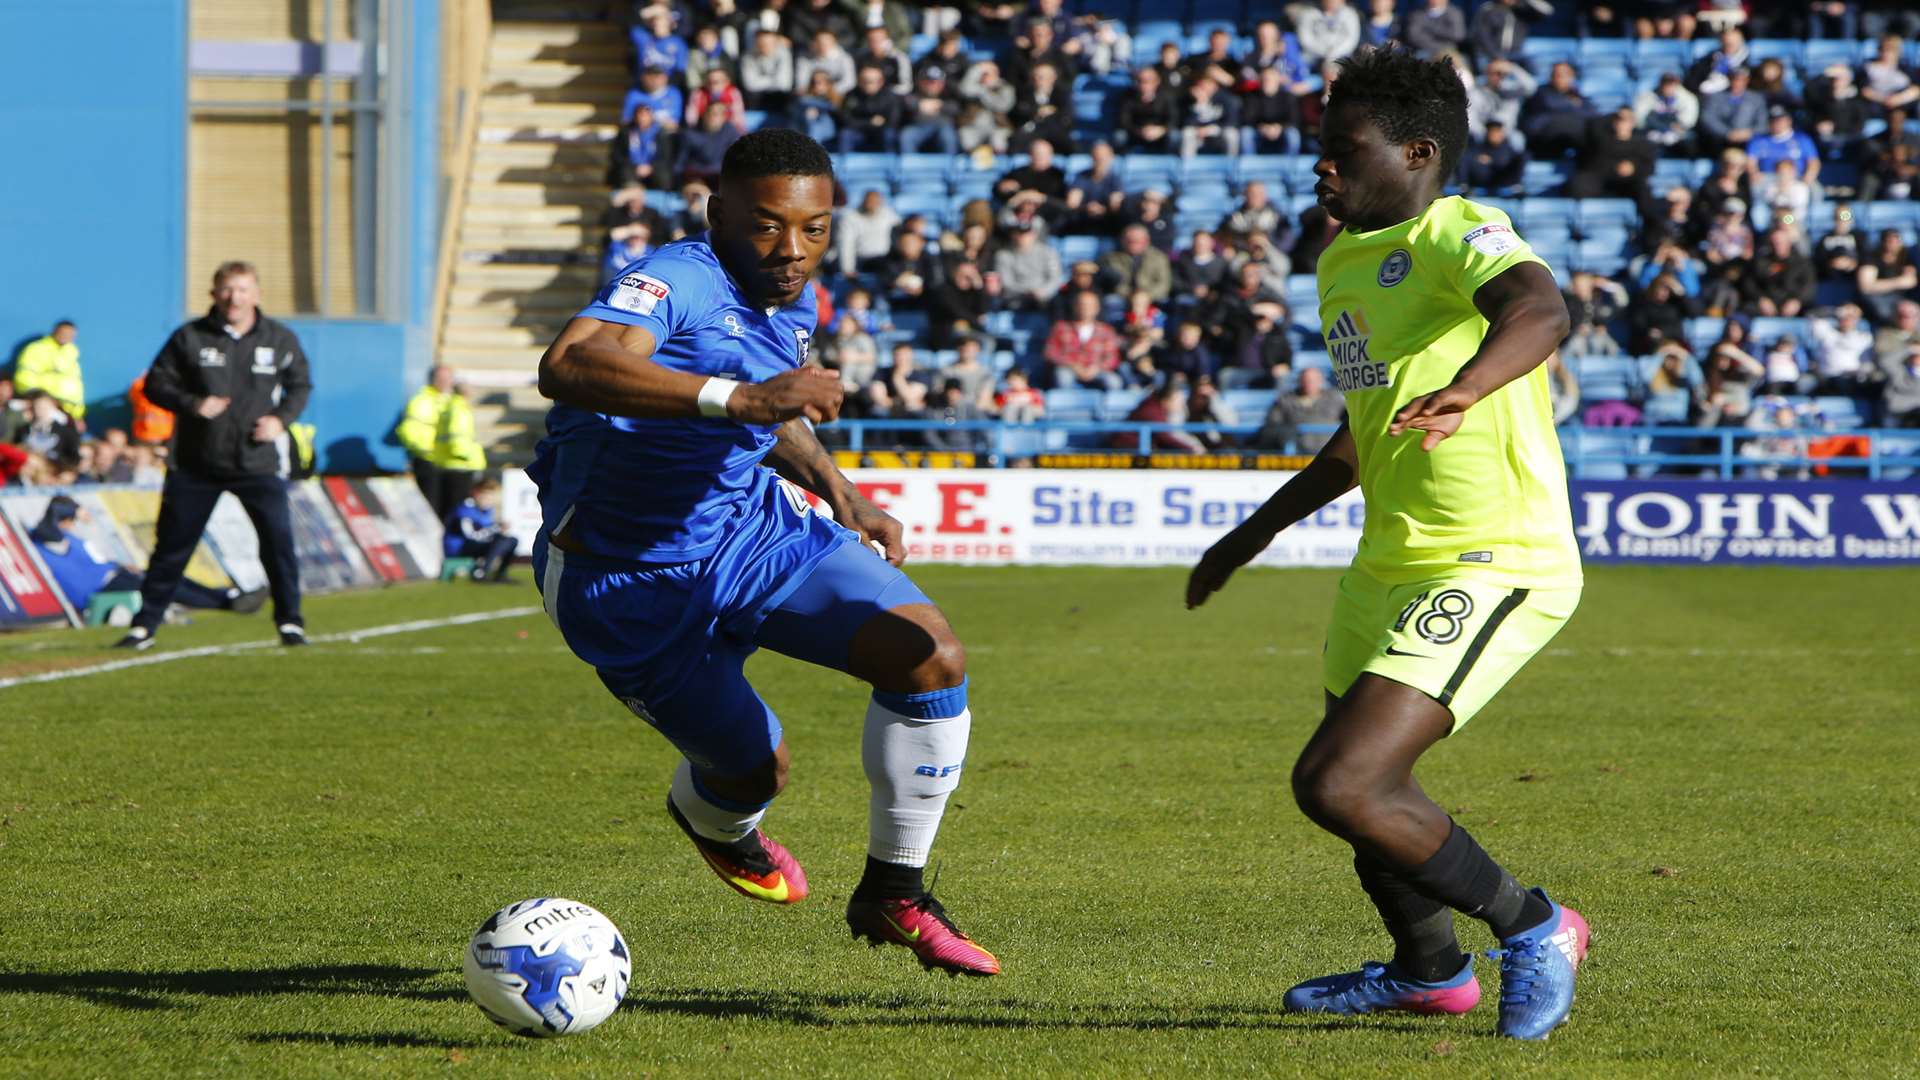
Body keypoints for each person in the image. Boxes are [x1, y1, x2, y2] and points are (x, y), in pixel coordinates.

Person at [1185, 46, 1587, 1040]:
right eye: (1319, 150)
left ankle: (1535, 924)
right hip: (1389, 561)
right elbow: (1360, 435)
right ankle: (1429, 971)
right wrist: (1250, 534)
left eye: (1340, 150)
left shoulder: (1463, 229)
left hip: (1495, 555)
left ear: (1415, 152)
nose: (1319, 168)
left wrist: (1471, 386)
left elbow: (1543, 309)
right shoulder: (1339, 262)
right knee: (1358, 787)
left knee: (1343, 780)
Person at [529, 129, 998, 976]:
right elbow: (570, 362)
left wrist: (843, 492)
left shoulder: (797, 300)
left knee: (930, 657)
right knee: (754, 770)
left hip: (753, 532)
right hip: (624, 578)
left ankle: (895, 890)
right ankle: (717, 823)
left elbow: (773, 412)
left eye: (814, 229)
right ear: (717, 214)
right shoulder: (676, 280)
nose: (793, 251)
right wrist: (738, 396)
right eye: (768, 226)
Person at [115, 260, 311, 650]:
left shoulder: (278, 339)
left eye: (242, 290)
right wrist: (192, 403)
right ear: (213, 293)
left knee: (278, 543)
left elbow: (300, 386)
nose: (234, 298)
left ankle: (290, 623)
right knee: (172, 546)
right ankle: (145, 625)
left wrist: (280, 420)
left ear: (256, 294)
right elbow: (156, 384)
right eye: (226, 289)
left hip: (256, 461)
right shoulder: (190, 337)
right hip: (196, 463)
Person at [31, 495, 266, 616]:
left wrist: (121, 566)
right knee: (162, 584)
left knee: (168, 576)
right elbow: (51, 521)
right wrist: (74, 510)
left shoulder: (70, 539)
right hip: (101, 587)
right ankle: (226, 602)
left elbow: (95, 561)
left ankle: (227, 596)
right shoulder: (44, 538)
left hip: (115, 575)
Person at [397, 364, 487, 522]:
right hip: (432, 463)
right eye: (442, 378)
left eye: (449, 378)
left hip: (455, 463)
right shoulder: (422, 401)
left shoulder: (454, 401)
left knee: (454, 513)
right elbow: (409, 431)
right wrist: (426, 451)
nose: (446, 382)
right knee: (434, 511)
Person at [444, 478, 518, 582]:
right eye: (486, 496)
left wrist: (498, 530)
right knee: (502, 540)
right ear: (476, 494)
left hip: (474, 544)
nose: (489, 500)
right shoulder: (464, 509)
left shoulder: (486, 510)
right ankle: (481, 572)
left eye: (491, 497)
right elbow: (471, 536)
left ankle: (501, 574)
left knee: (512, 540)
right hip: (459, 548)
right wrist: (496, 528)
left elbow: (487, 531)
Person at [12, 320, 85, 423]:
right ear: (55, 331)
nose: (66, 336)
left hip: (67, 414)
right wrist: (43, 399)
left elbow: (75, 390)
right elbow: (24, 378)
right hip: (41, 407)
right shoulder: (36, 349)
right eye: (64, 333)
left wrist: (77, 415)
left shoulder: (72, 356)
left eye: (70, 335)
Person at [12, 390, 81, 469]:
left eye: (45, 406)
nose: (41, 410)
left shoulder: (67, 432)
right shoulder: (22, 431)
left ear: (53, 406)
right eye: (38, 406)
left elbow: (74, 459)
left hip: (55, 474)